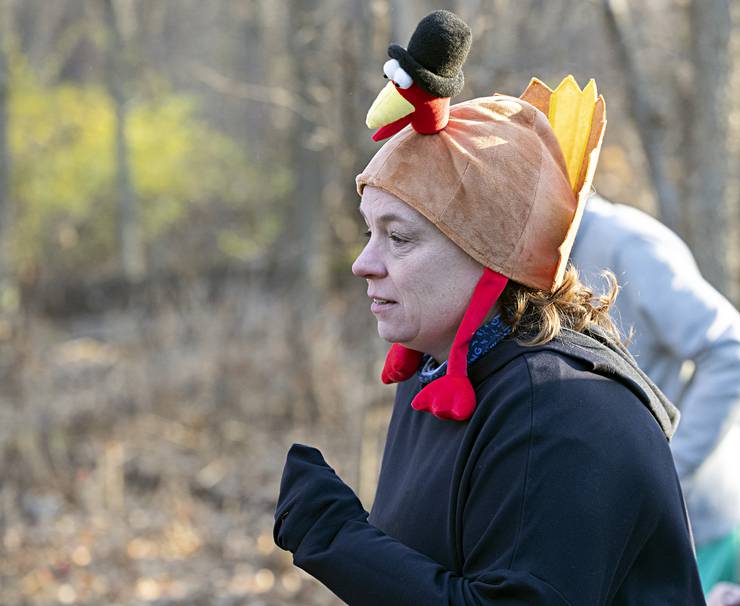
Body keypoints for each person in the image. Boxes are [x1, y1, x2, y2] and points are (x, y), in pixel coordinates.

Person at [273, 10, 706, 604]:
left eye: (398, 238)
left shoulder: (564, 412)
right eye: (369, 232)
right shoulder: (441, 371)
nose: (363, 263)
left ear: (490, 254)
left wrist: (336, 539)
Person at [571, 195, 740, 594]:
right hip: (621, 515)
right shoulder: (548, 252)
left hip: (692, 520)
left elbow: (739, 356)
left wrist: (664, 473)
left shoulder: (630, 245)